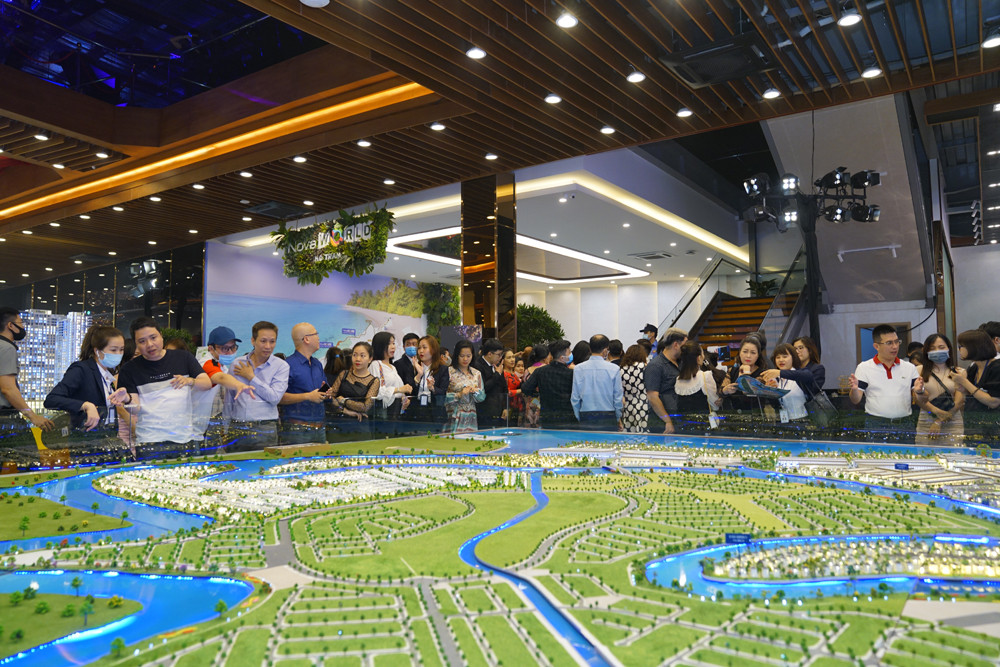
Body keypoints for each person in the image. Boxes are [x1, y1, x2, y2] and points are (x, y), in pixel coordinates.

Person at [109, 317, 212, 459]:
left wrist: (190, 381)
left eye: (153, 338)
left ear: (161, 336)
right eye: (142, 341)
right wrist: (127, 398)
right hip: (149, 442)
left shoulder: (183, 357)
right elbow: (135, 408)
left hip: (184, 438)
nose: (150, 344)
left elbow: (206, 383)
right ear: (136, 344)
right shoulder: (129, 369)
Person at [44, 325, 125, 431]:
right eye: (113, 350)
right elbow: (52, 399)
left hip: (106, 436)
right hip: (83, 436)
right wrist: (85, 405)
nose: (118, 354)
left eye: (121, 350)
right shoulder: (81, 369)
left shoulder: (107, 375)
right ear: (97, 351)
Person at [224, 321, 289, 450]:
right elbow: (229, 398)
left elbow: (274, 398)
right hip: (237, 426)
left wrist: (251, 377)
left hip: (265, 428)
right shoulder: (237, 364)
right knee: (235, 462)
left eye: (272, 341)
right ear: (253, 341)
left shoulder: (281, 366)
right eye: (263, 341)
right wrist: (225, 428)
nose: (268, 346)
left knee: (263, 462)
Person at [849, 324, 920, 440]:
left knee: (906, 452)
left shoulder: (909, 367)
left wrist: (920, 391)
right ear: (876, 346)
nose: (895, 346)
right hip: (876, 424)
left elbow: (920, 399)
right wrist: (854, 390)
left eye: (897, 342)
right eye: (889, 343)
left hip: (904, 423)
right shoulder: (864, 367)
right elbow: (855, 400)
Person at [0, 307, 55, 434]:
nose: (23, 327)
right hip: (4, 418)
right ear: (11, 325)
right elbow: (8, 389)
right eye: (20, 323)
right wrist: (32, 416)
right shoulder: (7, 348)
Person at [279, 322, 328, 445]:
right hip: (297, 429)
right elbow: (278, 397)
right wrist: (307, 396)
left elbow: (323, 387)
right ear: (306, 339)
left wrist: (327, 392)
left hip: (320, 427)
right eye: (316, 334)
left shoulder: (317, 364)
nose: (318, 338)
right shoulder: (287, 365)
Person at [911, 333, 964, 446]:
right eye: (932, 348)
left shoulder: (959, 372)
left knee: (953, 454)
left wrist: (939, 421)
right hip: (926, 419)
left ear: (948, 349)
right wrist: (936, 412)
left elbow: (959, 401)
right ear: (926, 351)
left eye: (941, 347)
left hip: (952, 421)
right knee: (924, 454)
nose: (937, 351)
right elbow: (916, 398)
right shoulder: (918, 370)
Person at [951, 329, 1000, 439]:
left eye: (961, 346)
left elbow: (994, 402)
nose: (959, 350)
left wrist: (964, 381)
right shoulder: (973, 367)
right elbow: (972, 393)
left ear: (973, 347)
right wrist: (961, 387)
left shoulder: (996, 367)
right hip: (974, 425)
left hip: (993, 429)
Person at [570, 334, 623, 431]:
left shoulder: (578, 369)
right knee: (608, 441)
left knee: (586, 441)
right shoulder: (614, 369)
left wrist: (578, 416)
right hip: (608, 415)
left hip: (585, 414)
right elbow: (617, 397)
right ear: (605, 350)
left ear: (590, 349)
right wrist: (617, 417)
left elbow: (575, 397)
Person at [328, 342, 380, 440]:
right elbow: (331, 397)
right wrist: (344, 410)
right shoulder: (344, 374)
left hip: (360, 425)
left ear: (370, 359)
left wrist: (344, 400)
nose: (357, 359)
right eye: (355, 355)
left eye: (362, 356)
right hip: (339, 424)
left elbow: (365, 406)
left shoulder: (374, 381)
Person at [522, 339, 575, 428]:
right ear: (562, 357)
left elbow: (525, 388)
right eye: (569, 352)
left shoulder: (540, 371)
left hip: (547, 417)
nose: (571, 355)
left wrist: (538, 395)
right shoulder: (571, 374)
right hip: (567, 418)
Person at [644, 328, 687, 434]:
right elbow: (652, 397)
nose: (686, 349)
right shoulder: (656, 365)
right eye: (684, 345)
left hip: (678, 419)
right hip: (662, 423)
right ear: (676, 345)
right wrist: (667, 420)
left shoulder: (681, 362)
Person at [673, 341, 721, 432]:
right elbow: (715, 405)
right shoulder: (705, 376)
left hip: (682, 427)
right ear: (698, 358)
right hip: (703, 427)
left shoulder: (678, 379)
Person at [370, 332, 411, 435]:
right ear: (380, 346)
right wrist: (400, 390)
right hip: (384, 414)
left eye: (393, 343)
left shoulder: (393, 367)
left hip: (396, 413)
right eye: (389, 344)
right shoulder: (375, 365)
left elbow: (398, 389)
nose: (393, 347)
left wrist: (404, 398)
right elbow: (377, 392)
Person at [720, 333, 770, 413]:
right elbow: (720, 392)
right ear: (740, 353)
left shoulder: (763, 373)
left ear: (758, 355)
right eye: (745, 351)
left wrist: (745, 374)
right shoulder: (732, 370)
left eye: (753, 353)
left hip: (756, 415)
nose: (748, 356)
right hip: (734, 414)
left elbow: (748, 392)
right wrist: (725, 390)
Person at [409, 335, 450, 428]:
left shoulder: (442, 369)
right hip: (417, 411)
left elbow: (443, 391)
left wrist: (432, 388)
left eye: (424, 347)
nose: (421, 351)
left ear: (433, 349)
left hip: (435, 411)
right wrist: (419, 375)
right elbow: (410, 390)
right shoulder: (414, 367)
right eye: (419, 348)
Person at [444, 340, 485, 433]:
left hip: (471, 416)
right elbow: (442, 396)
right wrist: (459, 395)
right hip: (453, 415)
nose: (465, 359)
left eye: (468, 356)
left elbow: (482, 397)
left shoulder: (476, 373)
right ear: (456, 355)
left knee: (470, 439)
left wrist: (475, 391)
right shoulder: (449, 372)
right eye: (462, 356)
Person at [763, 344, 809, 423]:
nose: (781, 360)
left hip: (802, 420)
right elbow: (777, 404)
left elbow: (808, 376)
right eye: (778, 357)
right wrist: (771, 391)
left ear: (793, 357)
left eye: (785, 356)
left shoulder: (800, 374)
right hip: (784, 421)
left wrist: (780, 373)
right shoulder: (778, 379)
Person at [472, 338, 506, 429]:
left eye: (502, 355)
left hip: (498, 410)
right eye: (499, 355)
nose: (500, 357)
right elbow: (483, 388)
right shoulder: (477, 365)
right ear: (490, 354)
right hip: (484, 412)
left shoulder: (498, 365)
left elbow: (504, 387)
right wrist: (497, 374)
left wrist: (505, 407)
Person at [620, 344, 649, 433]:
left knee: (629, 431)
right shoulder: (645, 367)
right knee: (643, 430)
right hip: (644, 403)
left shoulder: (621, 369)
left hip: (628, 404)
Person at [522, 343, 549, 428]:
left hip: (529, 405)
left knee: (529, 431)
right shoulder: (547, 369)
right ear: (545, 357)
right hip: (543, 404)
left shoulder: (527, 370)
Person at [503, 350, 524, 426]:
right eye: (509, 358)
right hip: (508, 407)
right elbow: (507, 392)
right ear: (503, 360)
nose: (512, 360)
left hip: (516, 407)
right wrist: (521, 390)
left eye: (513, 357)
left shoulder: (513, 374)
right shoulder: (504, 374)